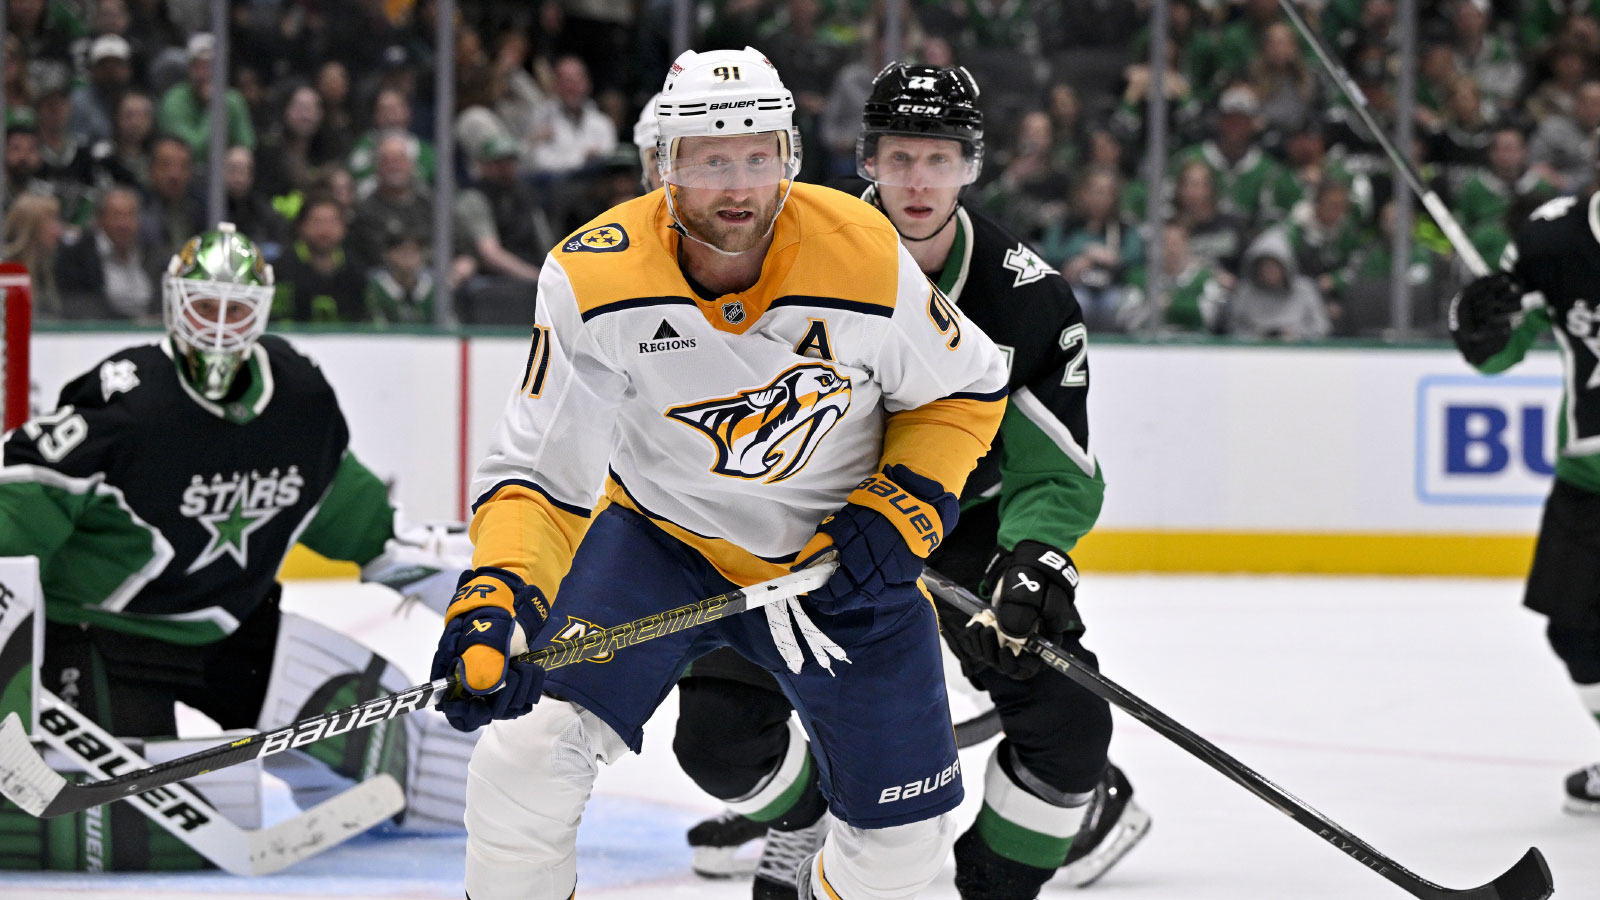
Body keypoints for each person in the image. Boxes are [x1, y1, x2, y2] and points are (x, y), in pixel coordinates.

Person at [433, 48, 1010, 900]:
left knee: (902, 862)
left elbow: (963, 387)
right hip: (662, 546)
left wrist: (909, 500)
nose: (737, 186)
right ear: (663, 165)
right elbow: (539, 474)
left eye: (756, 156)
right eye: (709, 160)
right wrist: (498, 596)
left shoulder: (861, 253)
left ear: (790, 158)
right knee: (524, 761)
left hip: (838, 562)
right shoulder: (593, 277)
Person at [670, 63, 1149, 900]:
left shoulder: (1026, 300)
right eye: (899, 158)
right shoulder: (788, 250)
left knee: (1071, 731)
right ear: (866, 161)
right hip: (807, 513)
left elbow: (1058, 470)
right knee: (716, 737)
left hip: (963, 526)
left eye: (939, 158)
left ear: (972, 165)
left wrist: (1034, 558)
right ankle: (811, 812)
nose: (918, 180)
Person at [0, 222, 477, 869]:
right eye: (204, 306)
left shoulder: (300, 401)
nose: (218, 327)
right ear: (174, 304)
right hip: (105, 636)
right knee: (171, 817)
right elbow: (22, 496)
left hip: (234, 626)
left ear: (261, 311)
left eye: (235, 309)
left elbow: (353, 514)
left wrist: (455, 582)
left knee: (423, 774)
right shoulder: (126, 400)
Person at [1447, 189, 1600, 816]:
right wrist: (1475, 323)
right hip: (1591, 478)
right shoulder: (1555, 243)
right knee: (1574, 632)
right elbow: (1498, 350)